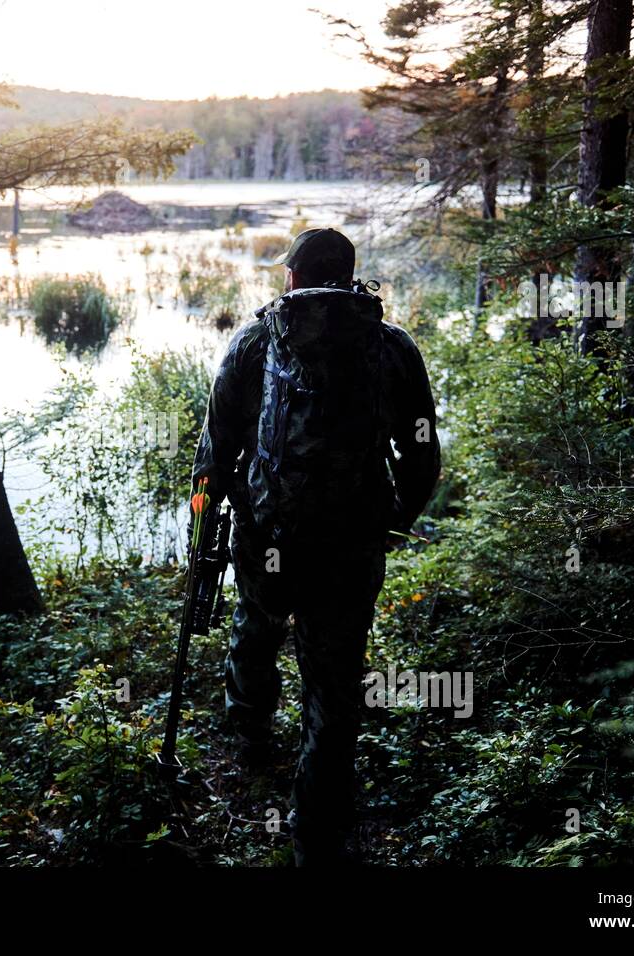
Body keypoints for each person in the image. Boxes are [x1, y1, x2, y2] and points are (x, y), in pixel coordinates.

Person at [190, 227, 440, 865]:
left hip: (268, 533)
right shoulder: (391, 348)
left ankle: (247, 733)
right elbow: (420, 452)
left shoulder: (254, 340)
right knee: (334, 681)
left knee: (257, 620)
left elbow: (216, 448)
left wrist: (208, 516)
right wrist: (392, 520)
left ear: (293, 278)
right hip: (351, 545)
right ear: (352, 279)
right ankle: (316, 826)